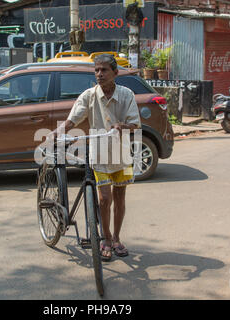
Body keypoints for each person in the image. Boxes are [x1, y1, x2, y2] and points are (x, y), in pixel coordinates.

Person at [50, 54, 141, 261]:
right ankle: (106, 239)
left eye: (104, 70)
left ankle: (116, 238)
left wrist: (122, 126)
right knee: (104, 198)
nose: (99, 74)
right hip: (99, 152)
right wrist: (58, 132)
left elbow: (135, 124)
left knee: (120, 197)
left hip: (122, 153)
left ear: (115, 73)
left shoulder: (126, 95)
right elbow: (73, 120)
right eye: (97, 70)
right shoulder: (88, 96)